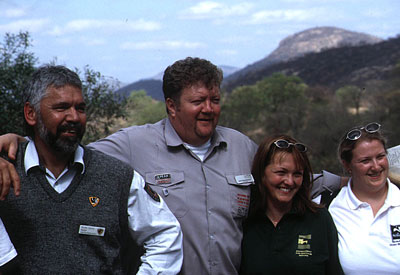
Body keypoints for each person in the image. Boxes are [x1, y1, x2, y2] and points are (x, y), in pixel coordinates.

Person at [0, 57, 343, 275]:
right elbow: (68, 152)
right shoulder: (132, 145)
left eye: (215, 99)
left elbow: (287, 179)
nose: (209, 109)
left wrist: (351, 180)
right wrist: (16, 143)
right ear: (171, 106)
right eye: (198, 101)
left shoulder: (240, 145)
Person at [0, 65, 183, 274]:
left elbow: (166, 235)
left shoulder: (116, 176)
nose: (74, 117)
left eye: (80, 108)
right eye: (61, 108)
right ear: (31, 113)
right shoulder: (5, 170)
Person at [240, 135, 343, 274]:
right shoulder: (245, 221)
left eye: (297, 174)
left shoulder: (319, 219)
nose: (289, 181)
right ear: (262, 173)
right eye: (281, 172)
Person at [329, 122, 400, 274]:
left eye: (380, 157)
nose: (376, 166)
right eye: (365, 161)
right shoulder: (332, 208)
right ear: (347, 165)